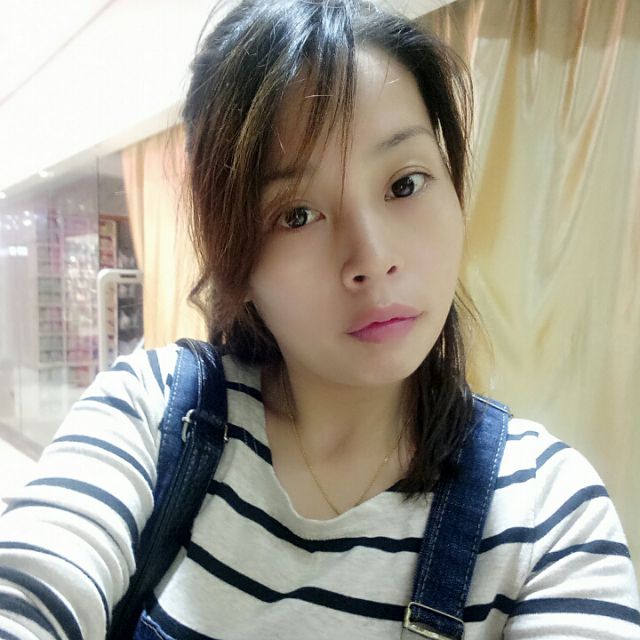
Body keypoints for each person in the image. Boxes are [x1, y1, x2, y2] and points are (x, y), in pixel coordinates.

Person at [0, 0, 638, 638]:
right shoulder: (153, 415)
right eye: (297, 215)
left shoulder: (549, 516)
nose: (373, 259)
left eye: (405, 183)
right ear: (234, 260)